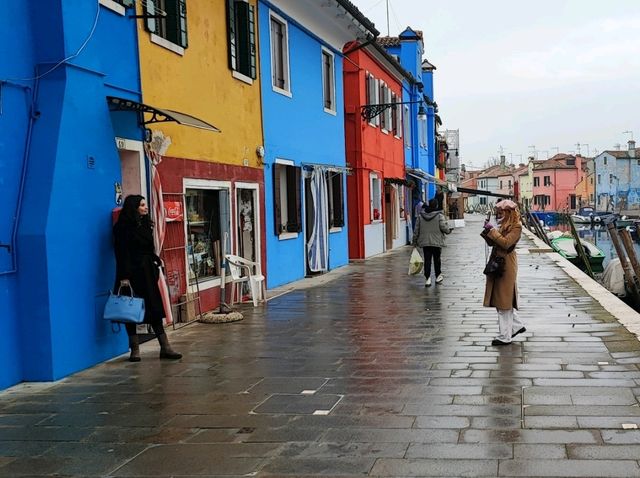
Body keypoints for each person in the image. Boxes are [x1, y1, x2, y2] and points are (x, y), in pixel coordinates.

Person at [113, 195, 182, 362]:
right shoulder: (122, 228)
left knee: (154, 308)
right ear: (134, 207)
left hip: (147, 273)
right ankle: (134, 349)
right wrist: (124, 277)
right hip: (130, 273)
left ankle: (165, 347)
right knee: (130, 310)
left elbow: (149, 248)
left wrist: (155, 260)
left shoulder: (145, 224)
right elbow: (122, 253)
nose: (146, 207)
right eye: (142, 205)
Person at [481, 199, 525, 346]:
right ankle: (516, 326)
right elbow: (493, 242)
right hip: (498, 263)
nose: (499, 214)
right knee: (502, 299)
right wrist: (487, 232)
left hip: (506, 265)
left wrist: (493, 231)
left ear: (509, 213)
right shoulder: (502, 225)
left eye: (502, 212)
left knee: (504, 301)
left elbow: (506, 243)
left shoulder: (517, 227)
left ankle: (505, 336)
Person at [412, 198, 452, 287]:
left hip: (425, 242)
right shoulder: (439, 216)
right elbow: (444, 227)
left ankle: (428, 279)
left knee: (427, 260)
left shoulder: (421, 216)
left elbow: (416, 230)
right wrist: (449, 231)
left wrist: (414, 241)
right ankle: (438, 276)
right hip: (437, 242)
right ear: (436, 205)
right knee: (437, 260)